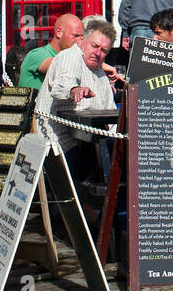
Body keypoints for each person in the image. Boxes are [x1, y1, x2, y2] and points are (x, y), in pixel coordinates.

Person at [35, 20, 117, 180]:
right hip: (60, 144)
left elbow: (111, 112)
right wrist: (74, 90)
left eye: (104, 50)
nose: (98, 53)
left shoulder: (100, 73)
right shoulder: (70, 56)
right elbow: (62, 84)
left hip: (88, 142)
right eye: (94, 46)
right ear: (81, 41)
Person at [18, 13, 84, 90]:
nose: (79, 41)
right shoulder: (37, 54)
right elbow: (58, 66)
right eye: (75, 36)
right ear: (59, 33)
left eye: (82, 37)